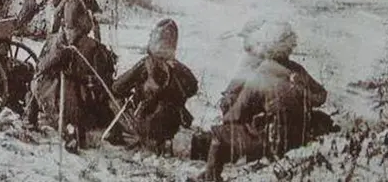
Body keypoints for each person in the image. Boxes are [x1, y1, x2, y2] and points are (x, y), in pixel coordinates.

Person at [196, 20, 328, 181]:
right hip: (299, 136)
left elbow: (237, 114)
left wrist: (229, 120)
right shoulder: (298, 70)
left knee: (220, 135)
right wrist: (301, 91)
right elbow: (321, 96)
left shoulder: (261, 73)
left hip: (271, 142)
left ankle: (210, 177)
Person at [23, 0, 117, 153]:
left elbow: (40, 68)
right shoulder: (94, 47)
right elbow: (105, 78)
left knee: (36, 83)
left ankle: (32, 120)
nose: (70, 33)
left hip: (61, 97)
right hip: (85, 100)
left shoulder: (57, 42)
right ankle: (71, 128)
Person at [111, 18, 198, 152]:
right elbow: (193, 89)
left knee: (113, 101)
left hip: (147, 125)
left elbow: (117, 87)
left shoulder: (145, 64)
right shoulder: (181, 68)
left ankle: (136, 136)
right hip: (172, 125)